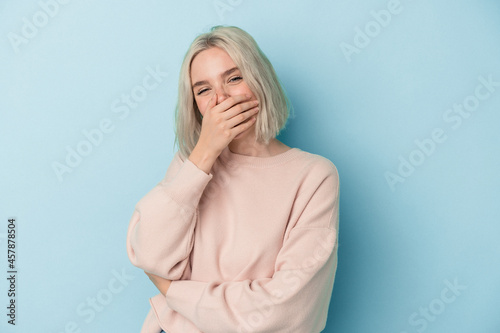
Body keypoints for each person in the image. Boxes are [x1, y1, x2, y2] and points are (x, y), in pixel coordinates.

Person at [126, 25, 340, 333]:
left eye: (234, 78)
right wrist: (202, 155)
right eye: (204, 90)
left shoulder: (314, 176)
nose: (221, 98)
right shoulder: (191, 163)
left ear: (260, 81)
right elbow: (149, 254)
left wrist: (173, 292)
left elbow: (285, 312)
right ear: (196, 107)